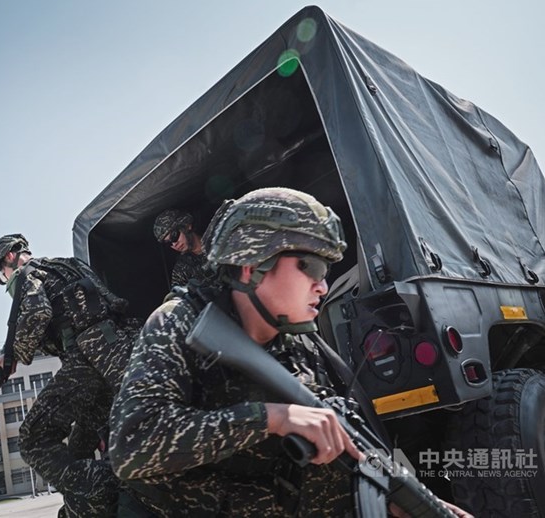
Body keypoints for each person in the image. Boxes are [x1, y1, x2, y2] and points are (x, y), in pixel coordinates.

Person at [110, 188, 472, 517]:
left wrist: (413, 499)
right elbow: (131, 447)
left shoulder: (301, 344)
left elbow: (345, 440)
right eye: (311, 267)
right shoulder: (177, 325)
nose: (323, 286)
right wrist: (270, 418)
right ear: (253, 265)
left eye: (327, 270)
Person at [0, 234, 139, 517]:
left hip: (87, 360)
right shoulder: (67, 265)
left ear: (8, 258)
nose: (5, 281)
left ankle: (113, 484)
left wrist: (13, 357)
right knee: (78, 449)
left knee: (33, 439)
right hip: (117, 353)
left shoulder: (25, 275)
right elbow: (111, 301)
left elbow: (38, 312)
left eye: (0, 276)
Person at [153, 209, 210, 288]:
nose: (174, 244)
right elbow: (177, 296)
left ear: (187, 225)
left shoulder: (217, 240)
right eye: (168, 243)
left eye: (174, 236)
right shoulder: (181, 269)